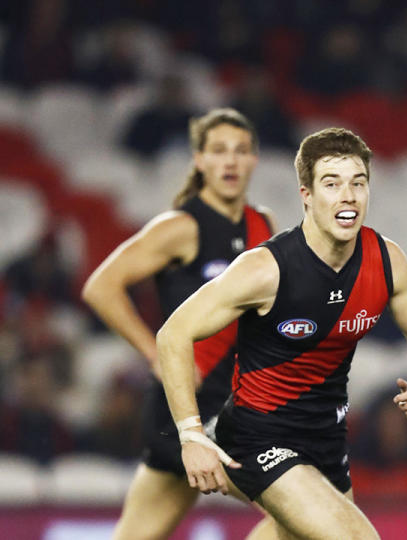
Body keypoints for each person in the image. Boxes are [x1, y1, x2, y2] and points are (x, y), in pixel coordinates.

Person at [156, 127, 407, 539]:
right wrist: (191, 436)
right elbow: (173, 334)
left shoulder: (385, 260)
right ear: (306, 195)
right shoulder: (265, 269)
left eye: (357, 183)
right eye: (332, 183)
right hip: (258, 437)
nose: (348, 195)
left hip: (326, 441)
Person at [82, 107, 277, 540]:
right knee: (306, 510)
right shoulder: (181, 226)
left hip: (235, 410)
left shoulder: (263, 225)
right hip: (185, 413)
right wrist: (154, 353)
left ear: (254, 160)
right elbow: (101, 286)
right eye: (219, 151)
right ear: (199, 160)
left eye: (240, 151)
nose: (230, 161)